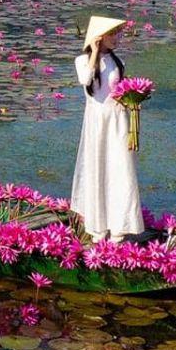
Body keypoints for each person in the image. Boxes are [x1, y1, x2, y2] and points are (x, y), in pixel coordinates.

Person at [71, 16, 145, 241]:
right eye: (113, 34)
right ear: (99, 37)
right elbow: (86, 79)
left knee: (120, 167)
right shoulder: (82, 61)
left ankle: (120, 224)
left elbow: (120, 90)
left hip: (118, 119)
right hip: (97, 120)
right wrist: (94, 52)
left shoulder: (117, 61)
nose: (117, 38)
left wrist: (134, 100)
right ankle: (98, 225)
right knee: (98, 167)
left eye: (118, 33)